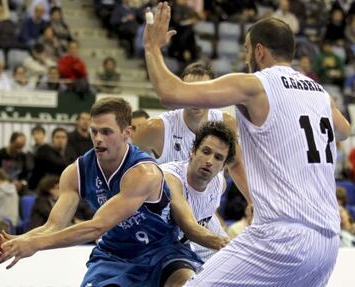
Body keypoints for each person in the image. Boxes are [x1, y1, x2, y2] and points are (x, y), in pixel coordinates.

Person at [144, 4, 351, 286]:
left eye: (245, 49)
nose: (244, 57)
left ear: (259, 51)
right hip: (328, 242)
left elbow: (171, 93)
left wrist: (152, 48)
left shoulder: (255, 85)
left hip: (282, 237)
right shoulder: (319, 92)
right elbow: (344, 131)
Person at [0, 97, 228, 286]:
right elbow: (53, 225)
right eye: (94, 132)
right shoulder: (75, 172)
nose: (98, 139)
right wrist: (19, 240)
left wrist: (35, 245)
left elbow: (97, 226)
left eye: (106, 132)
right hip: (114, 254)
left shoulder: (144, 172)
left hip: (160, 250)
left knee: (184, 283)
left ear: (127, 133)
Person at [133, 63, 251, 203]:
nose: (196, 98)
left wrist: (252, 202)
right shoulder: (155, 128)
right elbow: (128, 163)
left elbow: (235, 164)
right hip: (167, 212)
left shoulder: (226, 122)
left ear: (214, 92)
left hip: (206, 211)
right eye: (190, 90)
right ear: (180, 91)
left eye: (203, 91)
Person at [161, 121, 234, 261]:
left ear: (223, 165)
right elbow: (191, 228)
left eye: (218, 157)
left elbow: (208, 219)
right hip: (147, 250)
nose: (209, 161)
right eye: (206, 152)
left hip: (182, 247)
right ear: (193, 151)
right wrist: (229, 245)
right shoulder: (170, 178)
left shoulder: (220, 184)